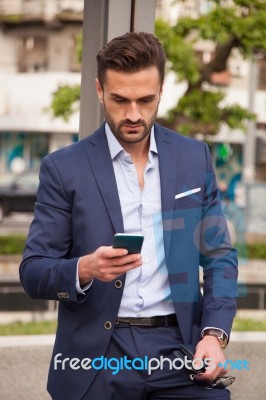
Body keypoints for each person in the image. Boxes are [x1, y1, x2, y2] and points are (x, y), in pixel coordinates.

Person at [19, 32, 238, 400]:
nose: (134, 114)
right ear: (100, 91)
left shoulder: (194, 157)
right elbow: (33, 271)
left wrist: (214, 336)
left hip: (179, 352)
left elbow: (219, 258)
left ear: (161, 91)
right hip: (97, 359)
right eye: (120, 100)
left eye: (145, 100)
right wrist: (85, 269)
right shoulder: (62, 168)